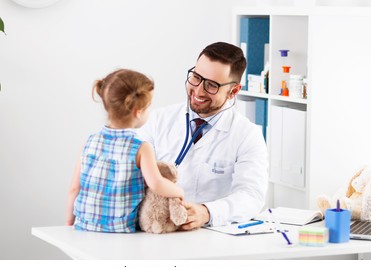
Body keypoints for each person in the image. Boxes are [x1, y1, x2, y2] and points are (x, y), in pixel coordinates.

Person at [137, 42, 268, 229]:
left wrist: (207, 212)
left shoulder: (247, 135)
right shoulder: (158, 120)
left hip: (210, 235)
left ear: (233, 91)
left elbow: (251, 196)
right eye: (196, 78)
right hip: (156, 229)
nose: (198, 90)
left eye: (212, 85)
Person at [65, 69, 184, 232]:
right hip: (120, 229)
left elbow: (74, 188)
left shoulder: (90, 141)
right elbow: (156, 183)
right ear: (138, 111)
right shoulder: (141, 147)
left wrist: (69, 221)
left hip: (85, 225)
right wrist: (179, 191)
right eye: (148, 107)